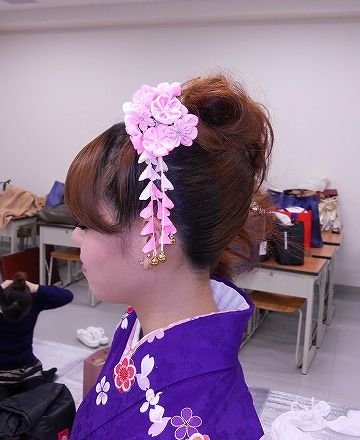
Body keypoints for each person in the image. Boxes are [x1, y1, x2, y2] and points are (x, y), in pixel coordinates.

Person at [65, 73, 273, 439]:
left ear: (156, 236)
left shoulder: (202, 423)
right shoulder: (141, 318)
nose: (75, 235)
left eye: (87, 223)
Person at [0, 272, 74, 420]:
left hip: (27, 370)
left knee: (39, 408)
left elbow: (67, 296)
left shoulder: (33, 302)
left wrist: (35, 287)